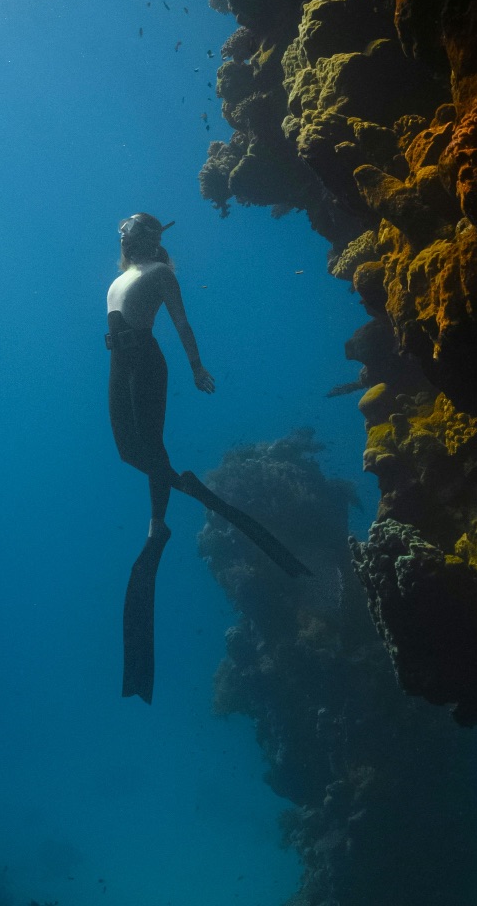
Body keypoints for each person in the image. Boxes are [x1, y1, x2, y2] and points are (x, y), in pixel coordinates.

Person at [105, 214, 310, 702]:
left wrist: (196, 366)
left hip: (146, 365)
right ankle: (184, 486)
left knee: (149, 447)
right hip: (118, 366)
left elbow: (181, 321)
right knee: (128, 452)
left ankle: (158, 524)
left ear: (150, 238)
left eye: (133, 230)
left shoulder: (161, 274)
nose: (126, 234)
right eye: (124, 230)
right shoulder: (116, 278)